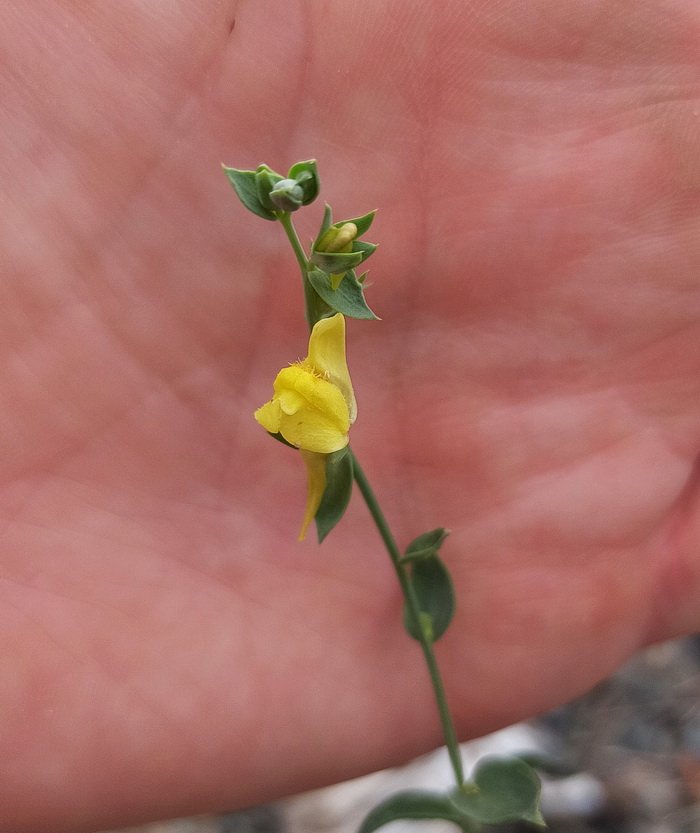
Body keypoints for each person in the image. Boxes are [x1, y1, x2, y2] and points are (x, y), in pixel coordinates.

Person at [2, 1, 700, 830]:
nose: (280, 405)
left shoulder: (328, 342)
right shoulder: (323, 367)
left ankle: (472, 788)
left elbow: (324, 358)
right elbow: (319, 384)